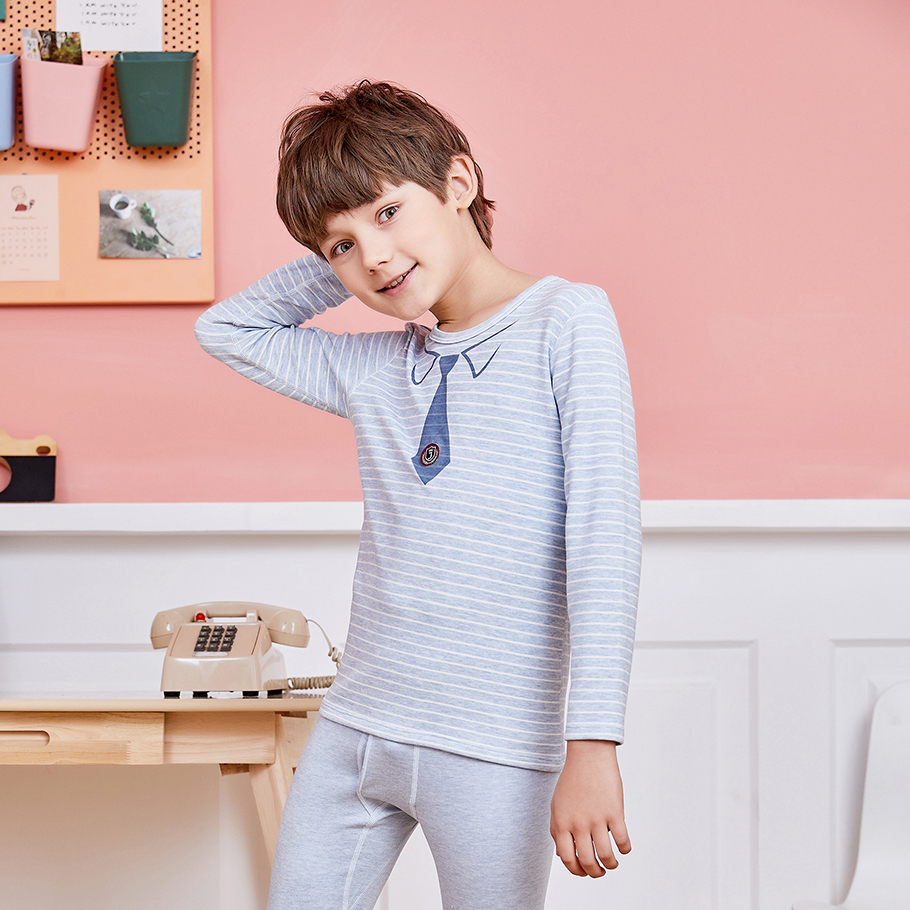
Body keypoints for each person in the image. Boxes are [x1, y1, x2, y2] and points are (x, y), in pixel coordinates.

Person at [196, 81, 641, 910]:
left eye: (389, 212)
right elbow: (226, 330)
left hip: (492, 742)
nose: (372, 255)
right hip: (356, 727)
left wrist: (594, 743)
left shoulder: (567, 320)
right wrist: (346, 250)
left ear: (458, 183)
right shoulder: (374, 369)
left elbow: (603, 539)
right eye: (341, 244)